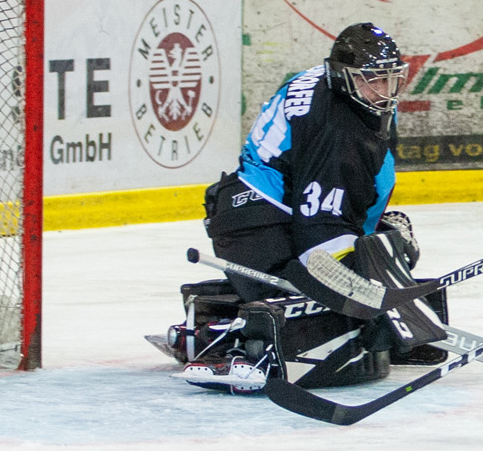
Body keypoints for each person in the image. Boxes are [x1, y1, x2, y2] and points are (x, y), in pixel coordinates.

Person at [174, 22, 447, 393]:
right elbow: (319, 243)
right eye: (373, 81)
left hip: (264, 208)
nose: (383, 91)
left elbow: (341, 196)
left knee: (378, 251)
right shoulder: (335, 131)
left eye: (390, 79)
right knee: (317, 298)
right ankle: (225, 335)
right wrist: (373, 294)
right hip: (258, 224)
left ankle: (226, 314)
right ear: (344, 77)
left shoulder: (341, 90)